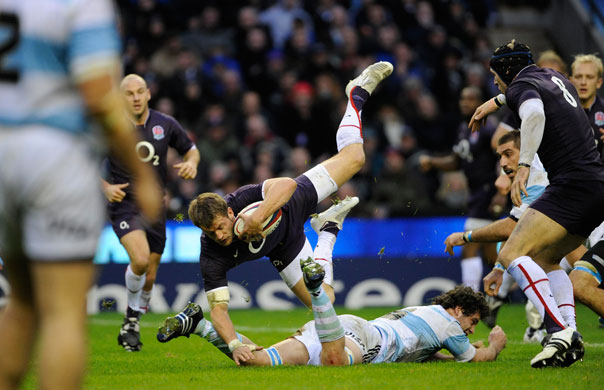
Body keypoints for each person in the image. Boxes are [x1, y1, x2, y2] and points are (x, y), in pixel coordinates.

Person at [0, 1, 161, 388]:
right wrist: (142, 173)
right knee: (63, 312)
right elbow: (99, 97)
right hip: (55, 154)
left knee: (21, 302)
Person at [185, 62, 393, 363]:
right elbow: (218, 310)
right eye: (210, 233)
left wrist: (258, 216)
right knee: (325, 300)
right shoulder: (211, 255)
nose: (218, 235)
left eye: (219, 226)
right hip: (285, 247)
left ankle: (355, 94)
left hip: (293, 202)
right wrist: (233, 344)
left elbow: (285, 185)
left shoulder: (241, 198)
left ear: (230, 212)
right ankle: (328, 230)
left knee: (355, 157)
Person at [469, 40, 604, 368]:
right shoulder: (551, 76)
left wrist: (525, 165)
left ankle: (558, 330)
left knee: (511, 253)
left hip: (571, 185)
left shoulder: (521, 87)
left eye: (496, 76)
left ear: (505, 71)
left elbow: (533, 111)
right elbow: (527, 95)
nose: (496, 84)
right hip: (595, 186)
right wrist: (493, 102)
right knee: (545, 258)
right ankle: (569, 336)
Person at [157, 261, 507, 366]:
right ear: (459, 310)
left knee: (256, 361)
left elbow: (430, 356)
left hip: (341, 330)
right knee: (335, 362)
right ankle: (316, 291)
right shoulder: (448, 322)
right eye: (473, 322)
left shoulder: (428, 314)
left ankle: (199, 325)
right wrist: (495, 343)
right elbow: (478, 358)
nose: (472, 331)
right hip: (362, 339)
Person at [102, 74, 200, 352]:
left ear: (148, 94)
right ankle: (132, 322)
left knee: (151, 276)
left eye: (139, 91)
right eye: (129, 93)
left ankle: (130, 320)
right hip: (124, 203)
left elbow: (191, 150)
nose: (134, 97)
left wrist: (191, 163)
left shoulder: (165, 124)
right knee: (141, 260)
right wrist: (106, 187)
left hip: (155, 206)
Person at [444, 130, 550, 341]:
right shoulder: (525, 179)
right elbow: (515, 234)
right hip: (570, 227)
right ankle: (555, 329)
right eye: (500, 156)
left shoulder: (538, 176)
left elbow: (511, 228)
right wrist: (499, 268)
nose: (502, 163)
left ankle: (553, 329)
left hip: (590, 222)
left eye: (508, 154)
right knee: (556, 266)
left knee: (573, 276)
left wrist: (465, 237)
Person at [419, 86, 503, 292]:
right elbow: (456, 161)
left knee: (469, 247)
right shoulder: (464, 128)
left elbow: (504, 156)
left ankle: (470, 297)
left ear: (481, 102)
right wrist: (433, 162)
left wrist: (501, 193)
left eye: (471, 98)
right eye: (462, 98)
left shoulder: (489, 128)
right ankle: (498, 297)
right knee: (491, 255)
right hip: (476, 193)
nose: (465, 102)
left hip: (488, 192)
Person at [570, 54, 604, 160]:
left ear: (599, 82)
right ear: (570, 81)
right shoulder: (558, 111)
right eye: (578, 76)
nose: (583, 82)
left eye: (589, 77)